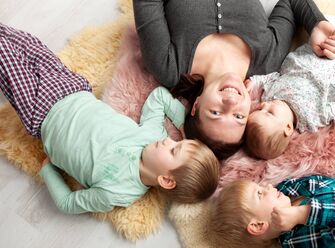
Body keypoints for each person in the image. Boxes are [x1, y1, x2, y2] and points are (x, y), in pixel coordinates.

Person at [0, 23, 220, 213]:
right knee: (24, 43)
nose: (168, 140)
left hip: (42, 113)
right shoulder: (152, 135)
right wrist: (183, 125)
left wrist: (48, 171)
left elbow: (68, 203)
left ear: (166, 180)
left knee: (5, 55)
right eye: (177, 142)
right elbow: (160, 97)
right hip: (71, 88)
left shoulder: (118, 192)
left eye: (173, 150)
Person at [133, 0, 335, 159]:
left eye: (215, 112)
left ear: (196, 105)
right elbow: (289, 2)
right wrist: (316, 24)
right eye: (239, 116)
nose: (231, 103)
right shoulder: (268, 60)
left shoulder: (168, 66)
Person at [245, 8, 335, 159]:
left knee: (325, 22)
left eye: (259, 108)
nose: (265, 105)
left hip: (318, 49)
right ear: (288, 127)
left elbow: (269, 77)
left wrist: (253, 82)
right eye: (269, 113)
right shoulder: (311, 118)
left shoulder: (270, 95)